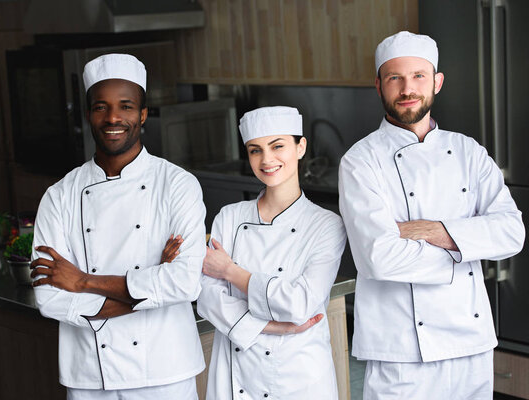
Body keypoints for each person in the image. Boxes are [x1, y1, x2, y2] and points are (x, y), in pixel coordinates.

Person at [338, 31, 525, 399]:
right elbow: (380, 259)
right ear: (379, 85)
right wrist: (466, 248)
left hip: (470, 343)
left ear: (437, 82)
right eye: (395, 78)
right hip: (400, 350)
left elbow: (511, 233)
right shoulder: (360, 161)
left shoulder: (469, 152)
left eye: (419, 76)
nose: (408, 88)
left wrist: (434, 230)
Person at [29, 53, 206, 399]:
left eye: (125, 106)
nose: (113, 118)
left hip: (165, 369)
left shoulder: (177, 184)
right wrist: (153, 286)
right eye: (101, 107)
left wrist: (83, 282)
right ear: (88, 114)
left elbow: (185, 283)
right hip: (91, 373)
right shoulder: (60, 195)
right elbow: (49, 297)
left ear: (142, 115)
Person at [197, 106, 347, 399]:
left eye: (277, 146)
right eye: (255, 150)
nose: (267, 159)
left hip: (298, 376)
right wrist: (269, 326)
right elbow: (207, 298)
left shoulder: (326, 225)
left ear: (300, 147)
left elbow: (299, 304)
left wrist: (230, 271)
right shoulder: (229, 217)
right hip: (235, 376)